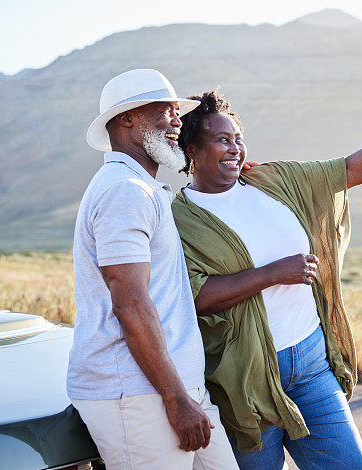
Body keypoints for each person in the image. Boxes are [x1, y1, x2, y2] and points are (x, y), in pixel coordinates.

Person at [171, 89, 362, 470]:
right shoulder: (181, 219)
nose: (235, 149)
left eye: (239, 138)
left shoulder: (273, 181)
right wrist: (273, 274)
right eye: (223, 139)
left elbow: (347, 170)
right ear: (191, 147)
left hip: (310, 363)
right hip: (245, 379)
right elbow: (196, 296)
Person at [67, 70, 238, 469]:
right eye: (166, 111)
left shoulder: (140, 188)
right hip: (136, 393)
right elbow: (130, 303)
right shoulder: (124, 191)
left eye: (178, 112)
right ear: (127, 119)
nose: (178, 121)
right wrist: (176, 400)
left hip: (172, 386)